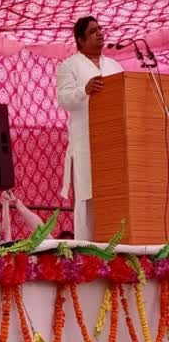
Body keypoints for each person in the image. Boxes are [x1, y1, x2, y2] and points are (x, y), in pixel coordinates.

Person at [56, 16, 123, 241]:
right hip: (86, 143)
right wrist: (83, 90)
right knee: (89, 199)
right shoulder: (69, 66)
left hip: (114, 144)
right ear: (80, 39)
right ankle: (88, 253)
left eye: (101, 29)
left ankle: (117, 248)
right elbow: (64, 99)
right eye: (94, 31)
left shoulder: (115, 66)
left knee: (115, 195)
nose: (100, 33)